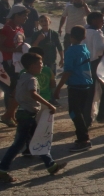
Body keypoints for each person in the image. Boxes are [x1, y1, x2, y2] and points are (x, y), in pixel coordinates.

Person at [0, 52, 66, 183]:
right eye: (39, 64)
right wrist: (49, 105)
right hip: (28, 116)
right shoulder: (31, 79)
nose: (41, 66)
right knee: (19, 144)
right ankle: (2, 169)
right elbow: (33, 93)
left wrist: (12, 111)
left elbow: (17, 95)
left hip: (23, 113)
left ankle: (51, 165)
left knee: (36, 140)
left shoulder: (22, 76)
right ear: (31, 66)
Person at [52, 26, 93, 152]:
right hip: (86, 84)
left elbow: (67, 71)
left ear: (71, 37)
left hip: (75, 85)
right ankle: (82, 136)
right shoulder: (84, 48)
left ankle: (83, 139)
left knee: (74, 113)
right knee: (80, 112)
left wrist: (58, 88)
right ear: (84, 37)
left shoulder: (70, 51)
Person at [84, 12, 104, 123]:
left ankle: (87, 118)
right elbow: (100, 48)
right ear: (94, 20)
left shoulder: (85, 30)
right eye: (101, 20)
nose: (103, 22)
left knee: (90, 91)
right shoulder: (96, 32)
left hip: (86, 63)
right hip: (96, 62)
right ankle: (101, 115)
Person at [0, 4, 28, 127]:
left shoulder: (20, 28)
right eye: (24, 15)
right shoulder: (7, 29)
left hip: (19, 63)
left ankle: (10, 114)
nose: (26, 18)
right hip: (9, 62)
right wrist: (14, 50)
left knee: (18, 88)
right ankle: (8, 114)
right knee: (13, 89)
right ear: (16, 15)